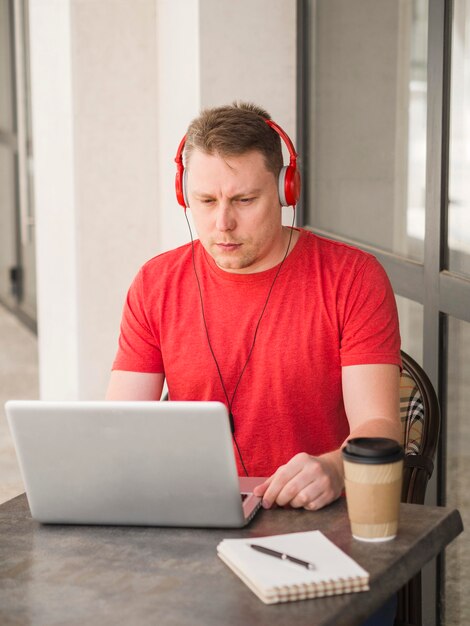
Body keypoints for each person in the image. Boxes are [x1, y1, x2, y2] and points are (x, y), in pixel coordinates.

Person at [106, 101, 402, 514]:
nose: (222, 223)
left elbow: (381, 427)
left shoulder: (352, 278)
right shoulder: (156, 283)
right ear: (183, 194)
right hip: (194, 510)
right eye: (206, 201)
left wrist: (335, 469)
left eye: (244, 200)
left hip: (317, 513)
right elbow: (121, 428)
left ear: (286, 191)